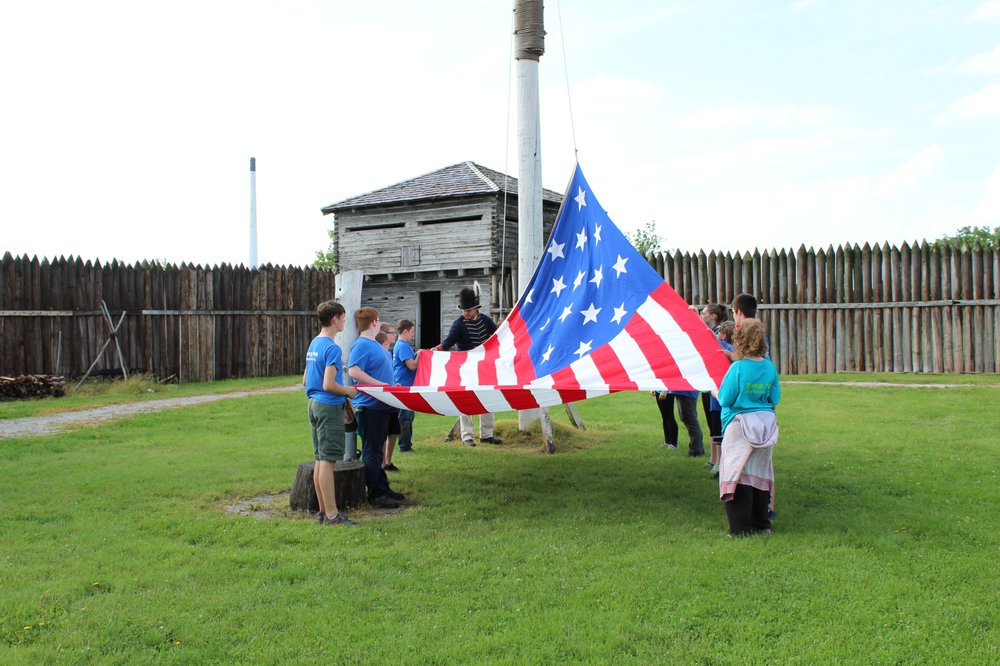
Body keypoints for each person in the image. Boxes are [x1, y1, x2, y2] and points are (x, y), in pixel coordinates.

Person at [715, 319, 780, 537]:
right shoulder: (769, 367)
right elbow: (774, 398)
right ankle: (762, 525)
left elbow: (725, 399)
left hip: (739, 427)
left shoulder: (738, 368)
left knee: (737, 475)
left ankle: (740, 529)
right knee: (759, 475)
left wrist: (714, 391)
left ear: (739, 339)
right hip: (764, 427)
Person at [303, 301, 359, 526]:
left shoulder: (314, 343)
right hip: (328, 407)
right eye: (343, 318)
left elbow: (305, 379)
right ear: (335, 319)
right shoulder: (332, 348)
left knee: (320, 459)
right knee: (328, 461)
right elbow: (328, 384)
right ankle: (333, 515)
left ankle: (323, 511)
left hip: (313, 404)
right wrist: (348, 391)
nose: (345, 322)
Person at [348, 307, 405, 509]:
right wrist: (380, 386)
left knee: (378, 450)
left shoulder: (374, 344)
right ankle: (376, 494)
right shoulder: (362, 345)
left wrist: (391, 386)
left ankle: (383, 486)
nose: (379, 323)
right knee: (372, 451)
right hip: (370, 406)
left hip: (382, 405)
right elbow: (354, 371)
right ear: (374, 322)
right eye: (378, 320)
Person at [435, 282, 500, 446]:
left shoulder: (485, 320)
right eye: (464, 311)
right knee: (466, 400)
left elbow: (498, 336)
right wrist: (437, 349)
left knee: (487, 398)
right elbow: (449, 341)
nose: (466, 314)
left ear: (476, 309)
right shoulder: (459, 324)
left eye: (468, 311)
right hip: (466, 368)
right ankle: (467, 436)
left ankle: (487, 434)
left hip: (485, 366)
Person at [699, 303, 728, 469]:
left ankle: (720, 462)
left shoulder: (718, 334)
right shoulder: (711, 332)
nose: (702, 316)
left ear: (713, 316)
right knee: (712, 423)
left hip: (717, 385)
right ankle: (714, 459)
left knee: (716, 423)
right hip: (709, 384)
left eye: (704, 313)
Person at [376, 322, 402, 473]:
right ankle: (381, 464)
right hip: (381, 399)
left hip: (391, 397)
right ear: (384, 335)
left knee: (394, 430)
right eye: (392, 333)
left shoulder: (388, 352)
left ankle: (388, 461)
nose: (395, 335)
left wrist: (393, 384)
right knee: (383, 433)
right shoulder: (378, 352)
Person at [392, 319, 418, 454]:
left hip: (404, 385)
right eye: (412, 331)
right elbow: (412, 365)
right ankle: (404, 446)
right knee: (405, 417)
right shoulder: (402, 346)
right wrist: (420, 354)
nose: (413, 334)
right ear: (406, 331)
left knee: (407, 416)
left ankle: (405, 444)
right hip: (404, 387)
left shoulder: (401, 345)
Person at [654, 389, 704, 456]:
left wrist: (665, 390)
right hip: (683, 393)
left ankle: (696, 450)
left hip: (687, 393)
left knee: (690, 420)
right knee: (688, 419)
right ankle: (695, 449)